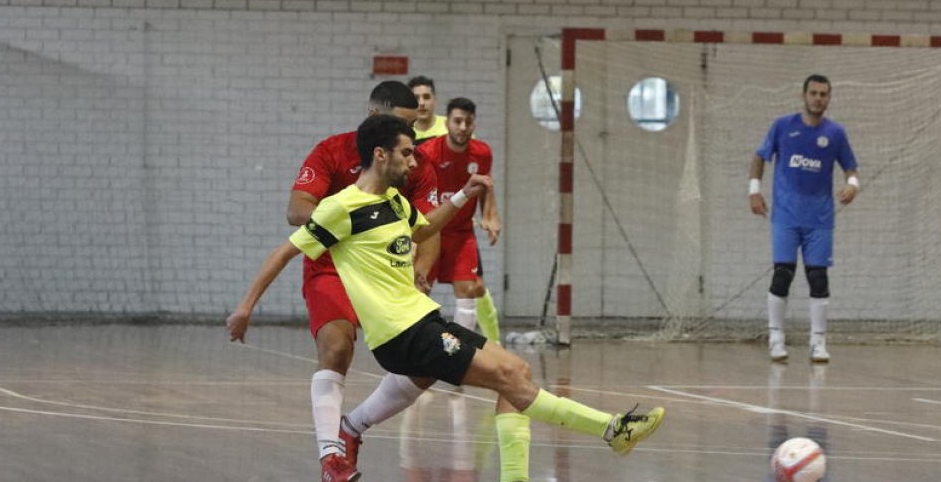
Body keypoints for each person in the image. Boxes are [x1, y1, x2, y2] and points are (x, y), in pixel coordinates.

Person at [233, 115, 665, 482]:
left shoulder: (395, 203)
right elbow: (285, 251)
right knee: (511, 375)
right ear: (380, 155)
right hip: (402, 334)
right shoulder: (341, 208)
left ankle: (518, 470)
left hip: (424, 320)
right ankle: (613, 430)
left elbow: (423, 229)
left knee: (516, 372)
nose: (413, 160)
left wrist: (464, 194)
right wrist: (245, 307)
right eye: (406, 152)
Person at [228, 81, 440, 482]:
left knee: (428, 362)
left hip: (387, 272)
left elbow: (428, 228)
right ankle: (331, 459)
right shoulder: (332, 151)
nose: (411, 138)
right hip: (331, 264)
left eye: (415, 128)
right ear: (376, 117)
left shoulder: (417, 162)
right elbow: (296, 210)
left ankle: (353, 427)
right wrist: (350, 219)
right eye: (402, 125)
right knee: (337, 345)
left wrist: (422, 269)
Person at [750, 74, 858, 363]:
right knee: (783, 273)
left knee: (818, 278)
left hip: (819, 220)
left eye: (824, 94)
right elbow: (760, 156)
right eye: (814, 93)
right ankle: (775, 339)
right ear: (804, 95)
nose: (818, 98)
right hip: (785, 216)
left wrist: (853, 185)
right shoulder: (783, 126)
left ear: (829, 98)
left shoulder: (835, 133)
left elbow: (851, 167)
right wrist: (754, 191)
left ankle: (818, 343)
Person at [417, 97, 503, 346]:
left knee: (469, 289)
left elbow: (486, 186)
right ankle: (420, 349)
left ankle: (459, 352)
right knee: (420, 289)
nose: (463, 127)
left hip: (462, 232)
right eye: (457, 121)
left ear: (474, 123)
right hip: (430, 231)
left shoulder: (482, 153)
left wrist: (490, 214)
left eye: (468, 121)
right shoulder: (427, 153)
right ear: (447, 123)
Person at [407, 76, 448, 144]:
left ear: (434, 100)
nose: (421, 103)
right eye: (416, 98)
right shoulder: (403, 132)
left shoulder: (450, 126)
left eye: (426, 97)